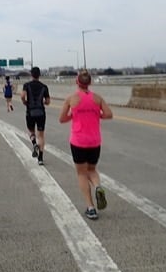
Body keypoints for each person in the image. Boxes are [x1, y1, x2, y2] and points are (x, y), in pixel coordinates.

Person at [58, 69, 113, 220]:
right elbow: (109, 114)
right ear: (90, 83)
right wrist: (97, 114)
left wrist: (74, 115)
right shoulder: (97, 98)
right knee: (92, 170)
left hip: (78, 141)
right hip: (94, 141)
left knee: (82, 173)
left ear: (77, 82)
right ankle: (98, 187)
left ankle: (91, 207)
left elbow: (62, 119)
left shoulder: (71, 99)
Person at [21, 67, 51, 165]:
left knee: (31, 131)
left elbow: (22, 95)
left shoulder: (26, 85)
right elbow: (48, 101)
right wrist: (43, 102)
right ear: (39, 75)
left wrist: (25, 102)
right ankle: (41, 158)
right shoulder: (44, 86)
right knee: (41, 135)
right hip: (41, 113)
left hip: (30, 112)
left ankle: (34, 144)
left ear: (31, 75)